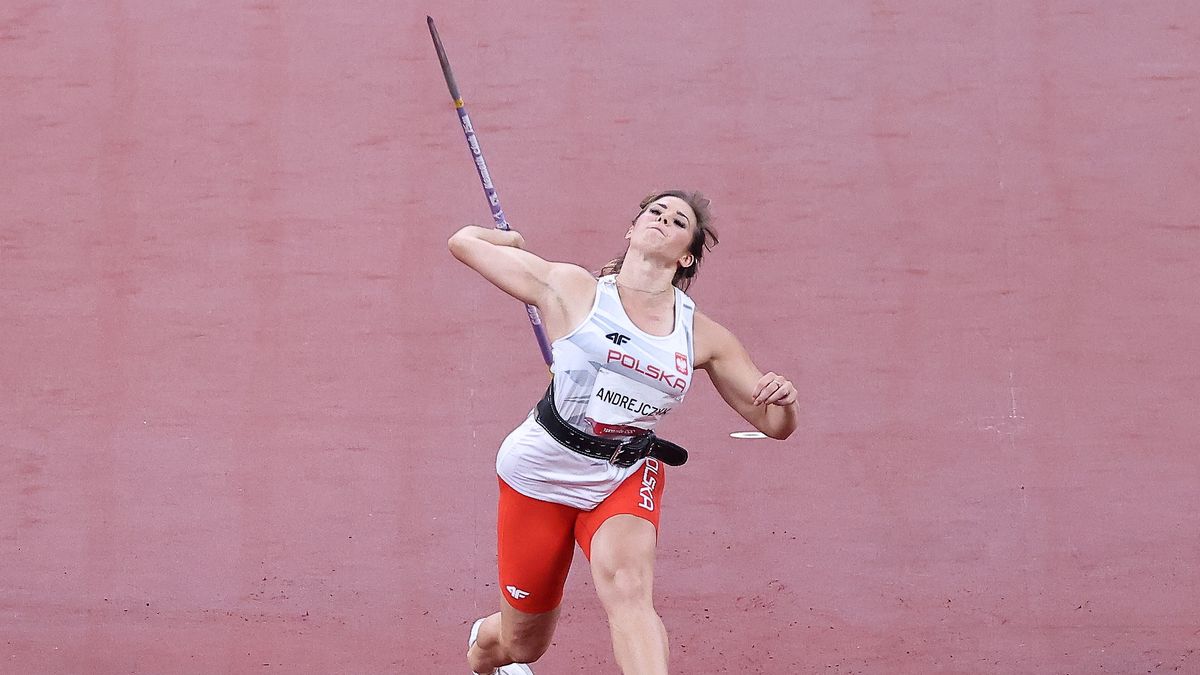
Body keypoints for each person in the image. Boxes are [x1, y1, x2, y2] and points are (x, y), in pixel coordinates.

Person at [447, 190, 798, 675]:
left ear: (687, 254)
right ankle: (488, 651)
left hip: (623, 473)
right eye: (655, 212)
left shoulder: (703, 337)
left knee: (630, 591)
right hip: (540, 472)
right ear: (632, 230)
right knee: (522, 644)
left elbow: (772, 425)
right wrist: (505, 238)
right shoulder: (573, 288)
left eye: (679, 221)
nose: (663, 220)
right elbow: (462, 242)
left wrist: (785, 401)